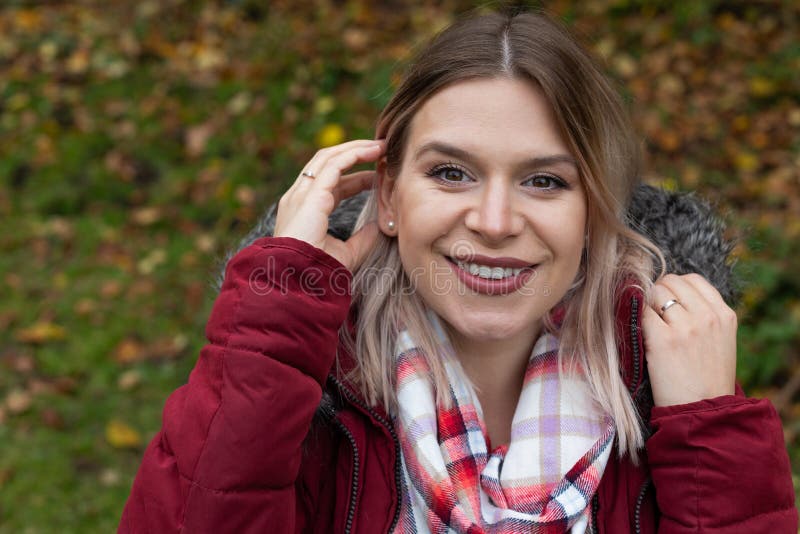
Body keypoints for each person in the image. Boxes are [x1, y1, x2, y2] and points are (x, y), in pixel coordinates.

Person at [119, 9, 797, 534]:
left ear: (595, 210)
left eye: (544, 181)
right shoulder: (297, 380)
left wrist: (711, 431)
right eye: (451, 172)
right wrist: (273, 325)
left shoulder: (673, 377)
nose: (495, 221)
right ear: (386, 196)